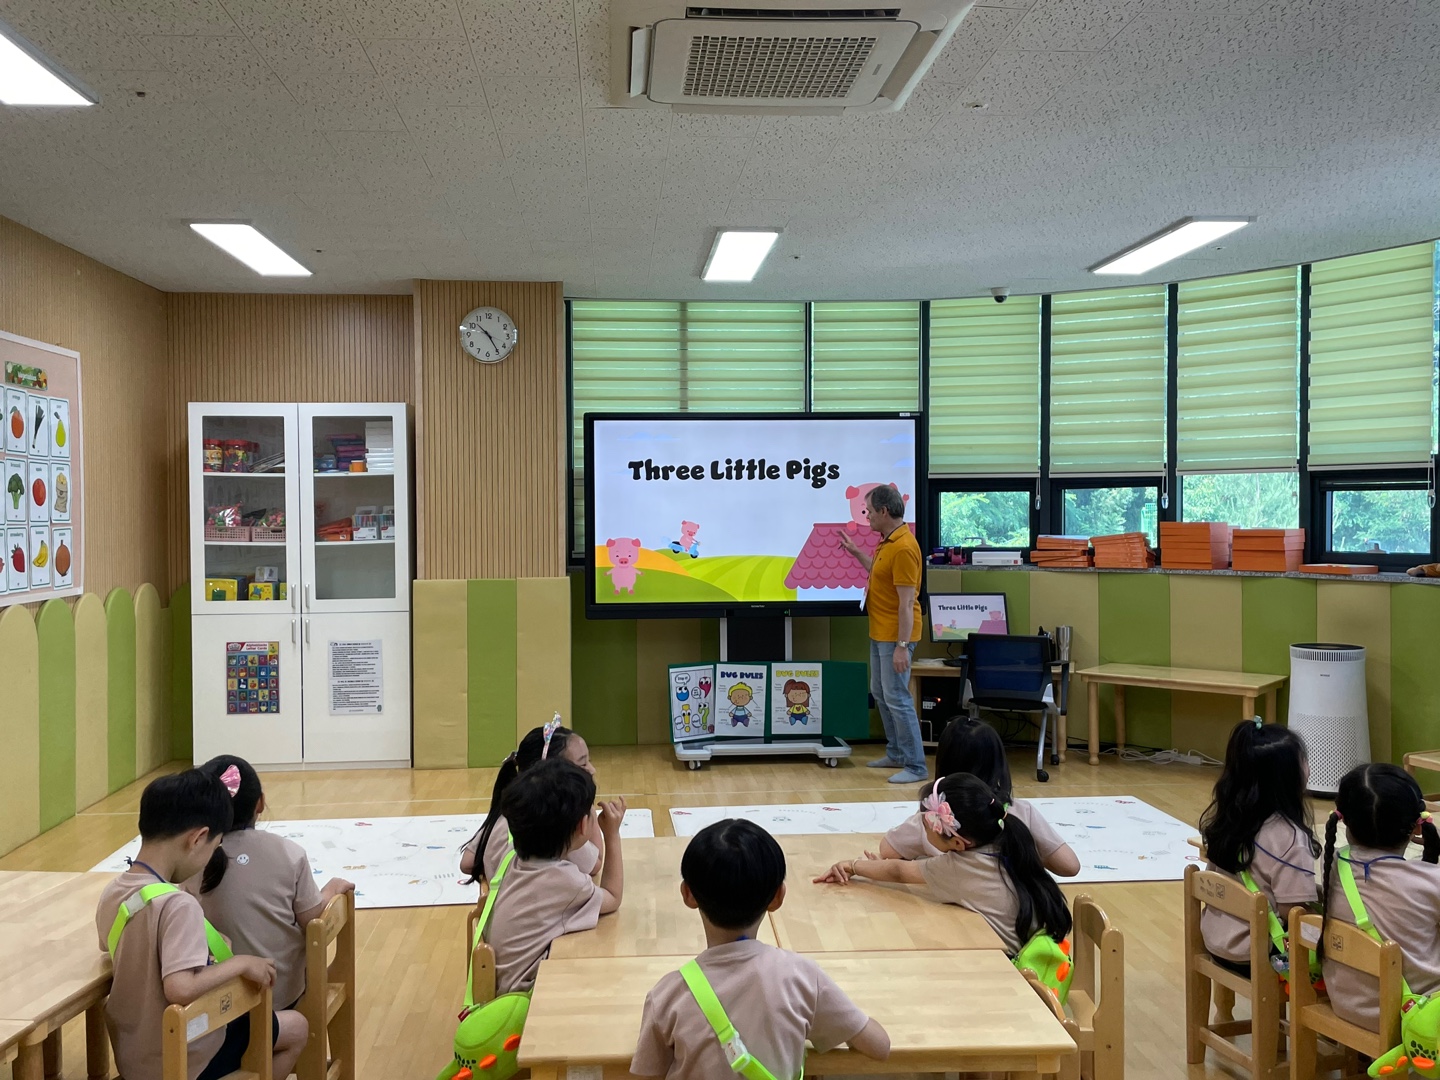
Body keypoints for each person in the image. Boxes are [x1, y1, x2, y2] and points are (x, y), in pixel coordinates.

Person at [631, 819, 889, 1079]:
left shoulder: (667, 995)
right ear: (778, 897)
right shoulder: (802, 977)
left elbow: (646, 1074)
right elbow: (880, 1046)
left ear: (688, 894)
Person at [95, 769, 308, 1080]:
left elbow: (113, 944)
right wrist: (241, 964)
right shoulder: (179, 905)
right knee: (297, 1028)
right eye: (214, 846)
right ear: (196, 839)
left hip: (133, 1056)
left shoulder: (114, 891)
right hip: (183, 1057)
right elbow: (180, 988)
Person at [814, 772, 1071, 955]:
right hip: (1046, 959)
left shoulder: (957, 868)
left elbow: (899, 870)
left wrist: (851, 865)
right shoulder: (1010, 840)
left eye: (926, 826)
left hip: (1017, 975)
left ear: (959, 844)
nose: (923, 830)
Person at [193, 755, 355, 1010]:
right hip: (282, 996)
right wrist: (331, 890)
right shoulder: (289, 853)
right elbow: (312, 919)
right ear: (260, 803)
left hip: (214, 1004)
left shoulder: (190, 861)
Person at [483, 759, 627, 994]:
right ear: (583, 826)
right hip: (526, 1000)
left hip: (502, 988)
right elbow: (612, 897)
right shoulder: (563, 880)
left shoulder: (515, 860)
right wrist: (612, 834)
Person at [1317, 763, 1440, 1030]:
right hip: (1416, 1016)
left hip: (1347, 1003)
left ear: (1344, 821)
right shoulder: (1430, 881)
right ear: (1417, 827)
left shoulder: (1335, 864)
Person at [882, 718, 1080, 876]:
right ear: (999, 762)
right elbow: (1069, 866)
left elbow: (887, 851)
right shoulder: (1020, 812)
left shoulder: (934, 820)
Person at [1197, 719, 1320, 972]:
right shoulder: (1291, 839)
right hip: (1256, 952)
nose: (1308, 768)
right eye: (1303, 761)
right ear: (1287, 777)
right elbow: (1293, 912)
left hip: (1215, 940)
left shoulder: (1230, 819)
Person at [838, 483, 927, 784]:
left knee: (897, 696)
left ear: (885, 511)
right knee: (881, 693)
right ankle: (897, 753)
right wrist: (855, 553)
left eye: (871, 512)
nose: (868, 517)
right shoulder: (887, 542)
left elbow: (906, 603)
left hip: (895, 636)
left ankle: (916, 765)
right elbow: (877, 573)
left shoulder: (903, 547)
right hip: (880, 632)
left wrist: (902, 646)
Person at [460, 718, 601, 884]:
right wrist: (591, 812)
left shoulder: (508, 813)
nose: (592, 770)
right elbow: (596, 864)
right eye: (582, 763)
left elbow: (467, 862)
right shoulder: (558, 824)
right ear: (551, 771)